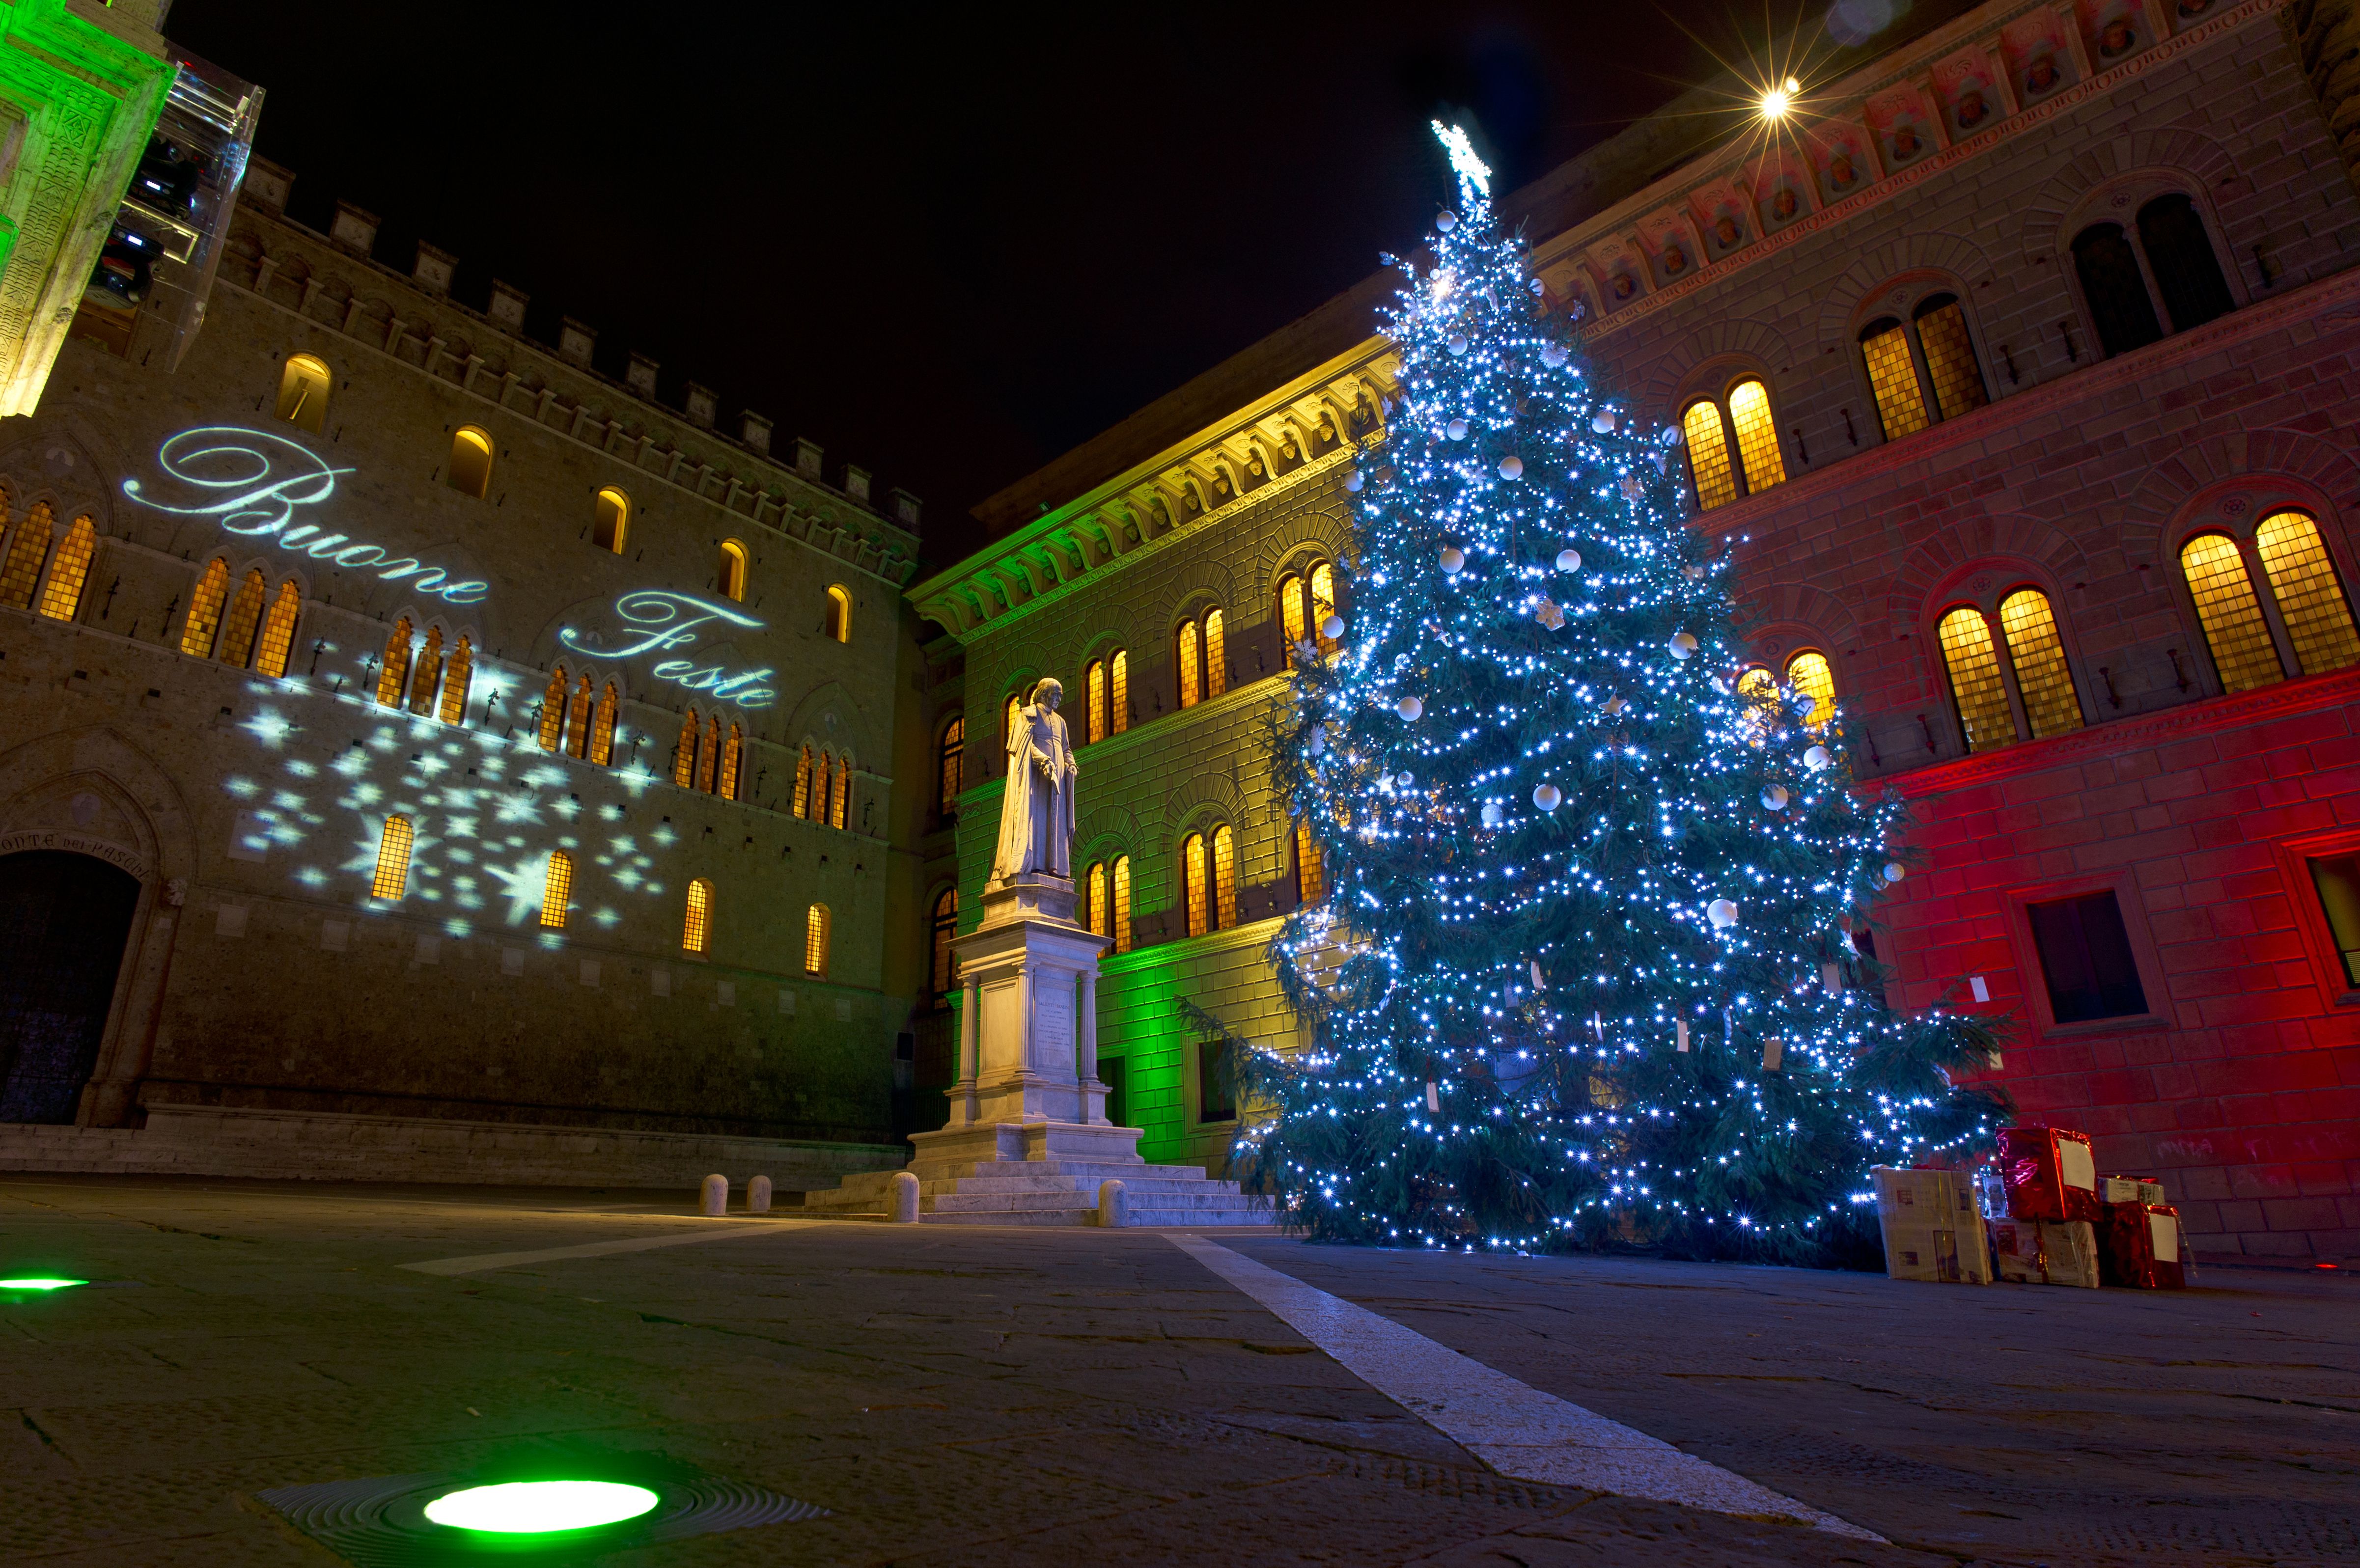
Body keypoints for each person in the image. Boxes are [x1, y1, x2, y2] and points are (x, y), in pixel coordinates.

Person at [992, 678, 1078, 881]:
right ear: (1044, 694)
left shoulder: (1060, 722)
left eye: (1060, 695)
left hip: (1057, 780)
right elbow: (1023, 746)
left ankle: (1054, 867)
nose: (1058, 699)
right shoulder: (1027, 715)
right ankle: (1035, 864)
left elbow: (1066, 749)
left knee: (1055, 821)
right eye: (1055, 694)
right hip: (1035, 780)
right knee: (1035, 819)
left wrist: (1071, 764)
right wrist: (1043, 760)